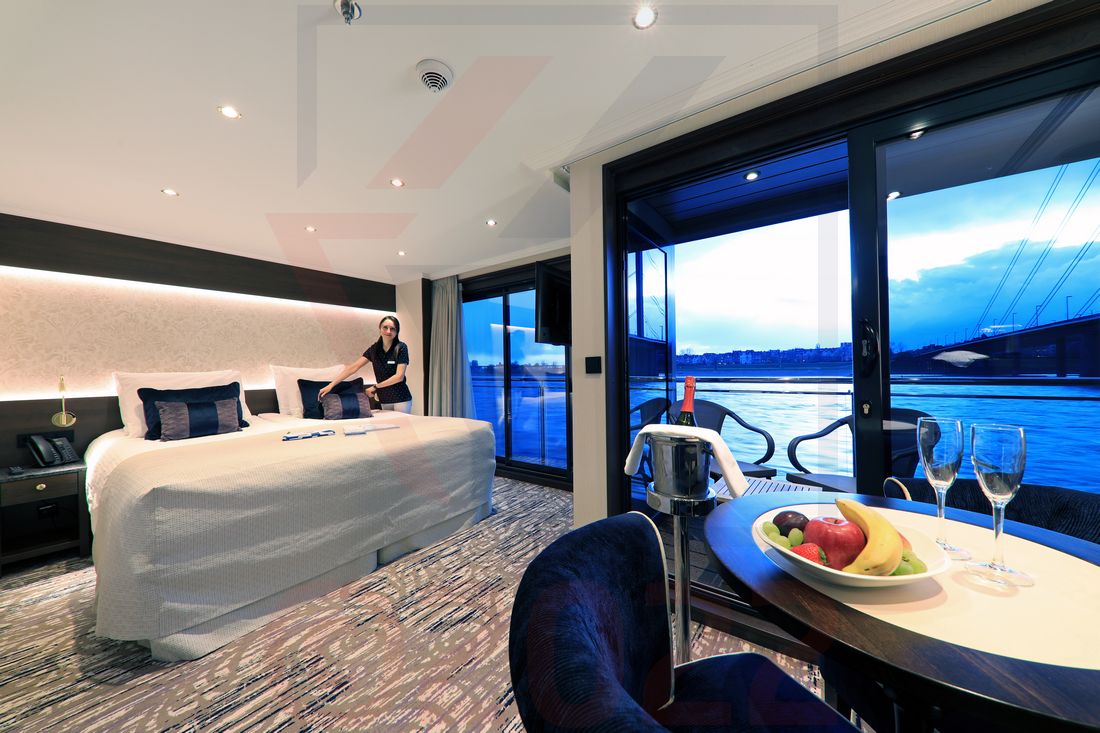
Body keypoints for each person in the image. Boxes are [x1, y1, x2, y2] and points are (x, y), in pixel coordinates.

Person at [320, 315, 414, 413]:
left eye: (392, 329)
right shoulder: (374, 349)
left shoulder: (401, 347)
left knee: (401, 422)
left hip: (401, 398)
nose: (388, 331)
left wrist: (375, 387)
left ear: (397, 331)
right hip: (384, 398)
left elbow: (399, 377)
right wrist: (331, 385)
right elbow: (353, 367)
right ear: (380, 329)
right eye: (385, 327)